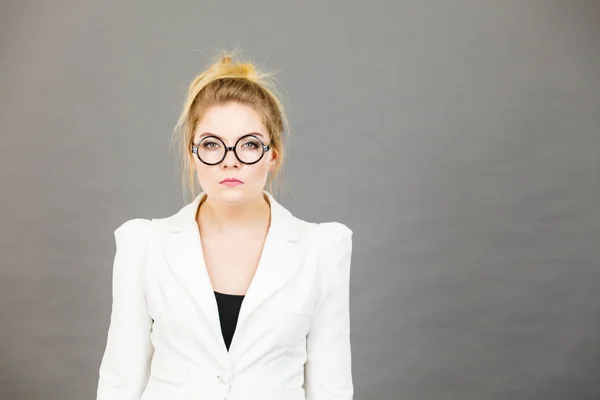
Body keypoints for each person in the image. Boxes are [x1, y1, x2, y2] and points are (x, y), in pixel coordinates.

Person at [96, 50, 354, 400]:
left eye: (249, 144)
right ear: (193, 154)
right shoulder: (144, 244)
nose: (230, 161)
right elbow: (120, 382)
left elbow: (331, 388)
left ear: (273, 155)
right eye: (212, 145)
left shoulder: (322, 248)